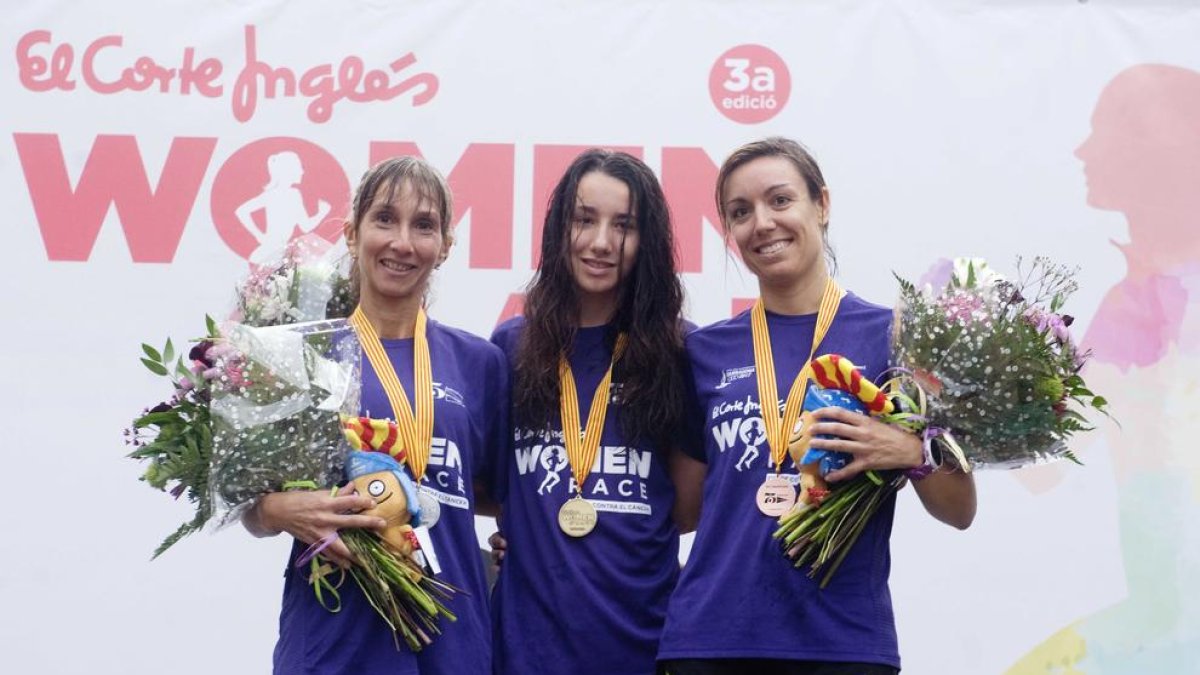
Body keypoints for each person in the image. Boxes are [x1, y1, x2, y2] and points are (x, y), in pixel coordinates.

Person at [657, 137, 976, 675]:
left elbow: (959, 510)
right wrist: (535, 535)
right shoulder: (703, 351)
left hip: (842, 644)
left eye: (780, 200)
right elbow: (682, 511)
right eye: (741, 212)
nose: (761, 223)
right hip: (709, 642)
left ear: (821, 205)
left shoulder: (894, 339)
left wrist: (908, 449)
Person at [242, 156, 509, 674]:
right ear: (351, 232)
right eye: (385, 219)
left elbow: (501, 498)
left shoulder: (480, 364)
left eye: (424, 225)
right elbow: (253, 507)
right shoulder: (302, 354)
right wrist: (278, 510)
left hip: (452, 641)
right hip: (335, 635)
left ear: (446, 245)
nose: (402, 242)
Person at [488, 149, 703, 675]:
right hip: (523, 651)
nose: (601, 242)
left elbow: (686, 509)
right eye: (585, 220)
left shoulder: (679, 353)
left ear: (646, 242)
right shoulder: (510, 348)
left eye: (623, 226)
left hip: (646, 645)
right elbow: (490, 487)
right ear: (560, 228)